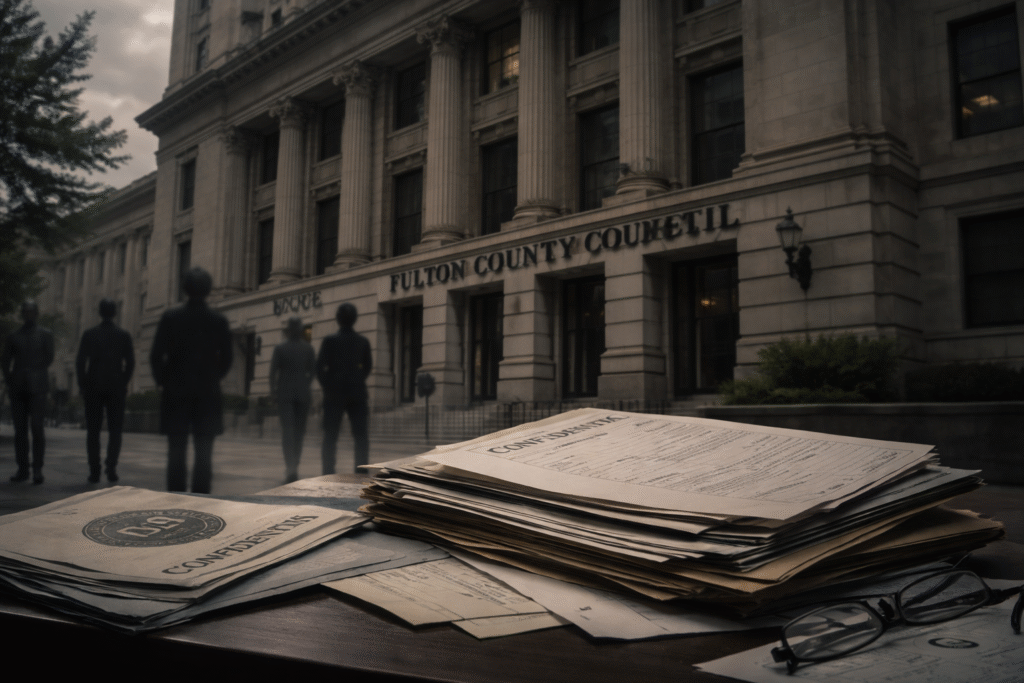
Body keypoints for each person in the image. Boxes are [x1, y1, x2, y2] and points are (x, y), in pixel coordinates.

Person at [149, 268, 233, 493]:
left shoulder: (170, 318)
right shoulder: (218, 320)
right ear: (208, 290)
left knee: (176, 449)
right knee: (204, 451)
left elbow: (156, 356)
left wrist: (163, 381)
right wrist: (214, 377)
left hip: (175, 392)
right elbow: (227, 357)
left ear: (185, 288)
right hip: (207, 392)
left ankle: (175, 497)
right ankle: (200, 498)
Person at [76, 298, 135, 483]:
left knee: (93, 431)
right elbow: (131, 363)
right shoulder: (123, 335)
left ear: (100, 313)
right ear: (115, 313)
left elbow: (80, 362)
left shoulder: (89, 334)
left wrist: (83, 384)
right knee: (115, 430)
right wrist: (123, 381)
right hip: (116, 386)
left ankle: (94, 470)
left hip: (93, 385)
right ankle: (111, 468)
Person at [2, 300, 54, 484]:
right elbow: (6, 361)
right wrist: (11, 381)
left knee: (37, 428)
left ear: (36, 313)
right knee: (20, 431)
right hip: (18, 387)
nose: (29, 315)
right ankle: (22, 468)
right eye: (26, 312)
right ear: (22, 314)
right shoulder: (13, 336)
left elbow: (49, 358)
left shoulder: (45, 335)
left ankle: (37, 469)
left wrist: (35, 374)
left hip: (38, 387)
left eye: (32, 312)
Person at [316, 303, 372, 474]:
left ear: (338, 319)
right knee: (360, 436)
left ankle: (327, 471)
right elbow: (368, 367)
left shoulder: (329, 341)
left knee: (330, 437)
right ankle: (361, 470)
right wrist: (357, 379)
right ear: (355, 319)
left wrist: (328, 385)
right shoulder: (363, 341)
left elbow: (319, 367)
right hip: (357, 393)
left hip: (334, 394)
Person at [270, 316, 315, 483]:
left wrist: (274, 392)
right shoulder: (308, 348)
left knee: (288, 432)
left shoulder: (280, 348)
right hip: (302, 394)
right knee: (298, 432)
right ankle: (294, 464)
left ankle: (291, 467)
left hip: (285, 394)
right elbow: (313, 372)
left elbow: (272, 373)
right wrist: (305, 384)